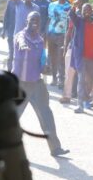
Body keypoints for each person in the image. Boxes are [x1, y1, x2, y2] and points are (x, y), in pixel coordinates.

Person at [13, 12, 69, 158]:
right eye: (32, 20)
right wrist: (24, 46)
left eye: (37, 20)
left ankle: (55, 148)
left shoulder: (39, 40)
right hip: (21, 84)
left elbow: (41, 63)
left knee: (46, 115)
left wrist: (46, 68)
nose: (35, 23)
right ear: (27, 21)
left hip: (37, 83)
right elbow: (20, 41)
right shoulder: (21, 35)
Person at [68, 1, 93, 113]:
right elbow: (71, 15)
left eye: (88, 10)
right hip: (81, 57)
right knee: (81, 80)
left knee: (90, 80)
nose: (86, 12)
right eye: (84, 10)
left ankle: (86, 100)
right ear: (81, 12)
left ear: (92, 11)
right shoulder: (79, 22)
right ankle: (80, 104)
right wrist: (74, 6)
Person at [47, 0, 71, 88]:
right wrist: (46, 32)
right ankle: (54, 78)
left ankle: (61, 79)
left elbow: (70, 21)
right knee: (52, 57)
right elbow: (49, 19)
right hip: (51, 33)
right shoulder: (51, 5)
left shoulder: (69, 6)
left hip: (62, 35)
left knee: (61, 58)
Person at [2, 0, 16, 71]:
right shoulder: (10, 2)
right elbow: (6, 16)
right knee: (11, 52)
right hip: (11, 31)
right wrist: (3, 30)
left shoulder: (26, 3)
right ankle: (9, 71)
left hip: (22, 33)